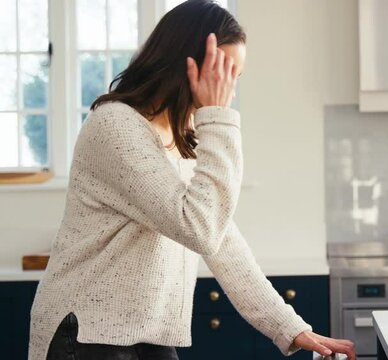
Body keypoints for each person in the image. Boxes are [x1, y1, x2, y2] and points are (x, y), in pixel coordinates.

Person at [28, 1, 356, 359]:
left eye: (234, 78)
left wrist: (291, 329)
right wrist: (218, 117)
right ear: (185, 66)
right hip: (86, 331)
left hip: (147, 334)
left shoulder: (183, 137)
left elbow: (220, 239)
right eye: (221, 73)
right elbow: (197, 227)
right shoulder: (115, 127)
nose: (227, 90)